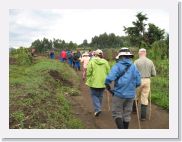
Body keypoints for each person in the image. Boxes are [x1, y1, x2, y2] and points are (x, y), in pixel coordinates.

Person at [105, 47, 141, 129]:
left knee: (117, 114)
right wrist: (132, 87)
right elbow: (138, 82)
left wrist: (107, 85)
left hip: (119, 94)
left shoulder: (117, 66)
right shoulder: (134, 66)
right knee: (127, 114)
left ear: (120, 56)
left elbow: (109, 78)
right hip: (131, 95)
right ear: (129, 56)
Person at [86, 49, 110, 117]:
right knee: (100, 95)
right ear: (102, 55)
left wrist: (88, 77)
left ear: (95, 55)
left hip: (93, 82)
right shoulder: (105, 62)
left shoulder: (92, 61)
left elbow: (88, 72)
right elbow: (108, 72)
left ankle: (97, 109)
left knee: (94, 95)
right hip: (103, 82)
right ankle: (98, 108)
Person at [134, 48, 156, 121]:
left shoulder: (136, 62)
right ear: (145, 53)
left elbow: (133, 73)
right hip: (147, 80)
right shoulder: (150, 61)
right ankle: (143, 117)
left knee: (136, 95)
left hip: (138, 80)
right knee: (145, 97)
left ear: (139, 53)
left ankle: (134, 110)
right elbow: (154, 74)